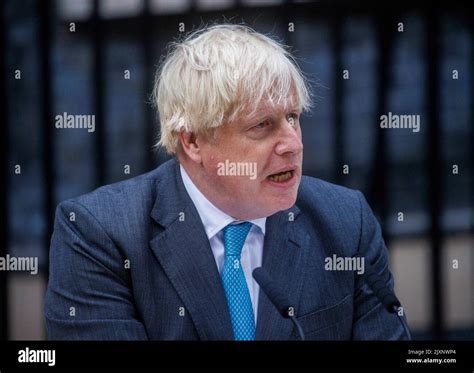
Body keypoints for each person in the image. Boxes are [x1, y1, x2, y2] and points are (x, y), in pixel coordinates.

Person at [44, 24, 410, 340]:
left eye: (292, 117)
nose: (294, 144)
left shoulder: (346, 222)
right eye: (262, 125)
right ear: (192, 141)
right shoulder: (99, 235)